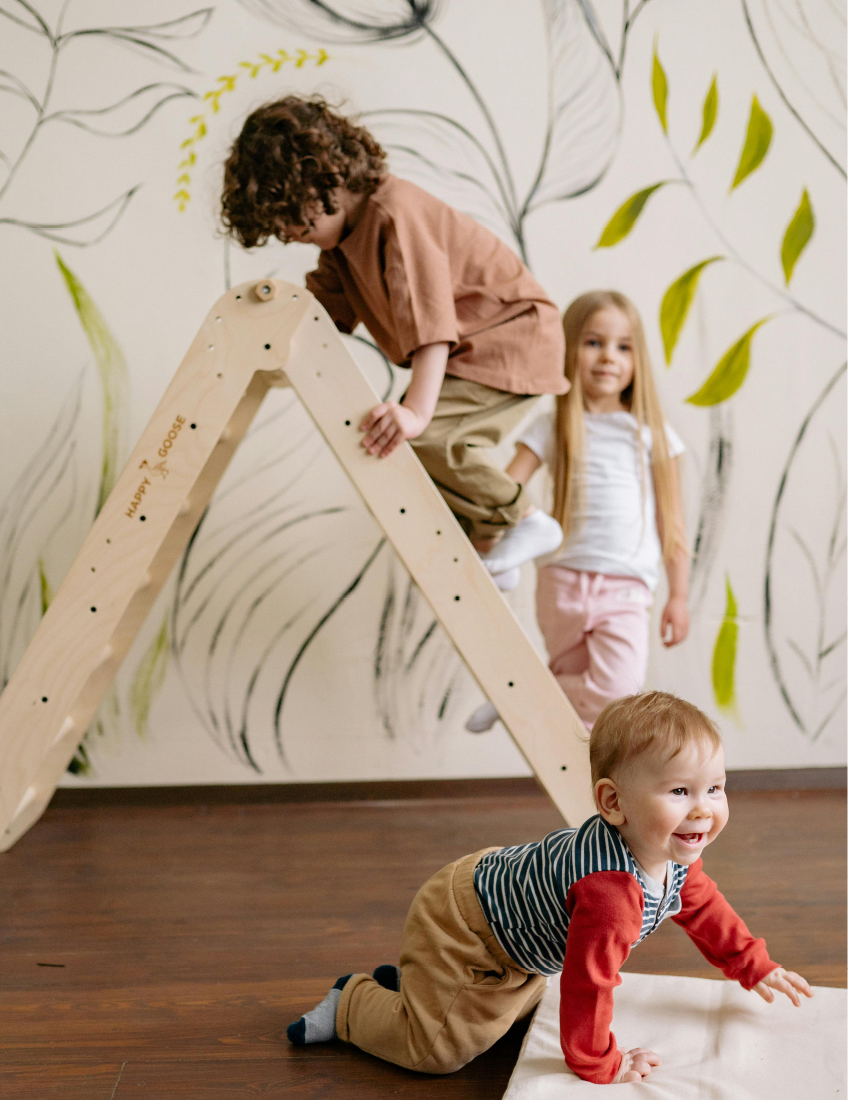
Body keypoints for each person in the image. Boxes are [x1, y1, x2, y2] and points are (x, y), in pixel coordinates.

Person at [286, 691, 812, 1084]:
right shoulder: (610, 897)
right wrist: (600, 1062)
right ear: (613, 803)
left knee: (519, 1006)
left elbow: (704, 909)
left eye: (715, 788)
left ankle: (415, 987)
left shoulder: (671, 854)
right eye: (679, 791)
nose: (704, 809)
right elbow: (589, 984)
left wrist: (754, 964)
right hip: (465, 924)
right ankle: (352, 1004)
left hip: (508, 911)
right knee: (438, 1051)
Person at [220, 95, 565, 583]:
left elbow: (430, 322)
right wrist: (267, 352)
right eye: (279, 228)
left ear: (327, 182)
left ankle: (526, 519)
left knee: (429, 438)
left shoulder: (395, 215)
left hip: (513, 339)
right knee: (413, 455)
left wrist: (416, 412)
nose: (289, 232)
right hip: (473, 349)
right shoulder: (341, 246)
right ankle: (492, 542)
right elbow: (317, 318)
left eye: (294, 218)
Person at [468, 289, 689, 733]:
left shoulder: (651, 433)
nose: (608, 357)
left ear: (638, 359)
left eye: (623, 347)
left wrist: (679, 595)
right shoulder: (552, 426)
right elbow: (507, 488)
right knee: (579, 703)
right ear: (567, 350)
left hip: (625, 583)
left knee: (619, 693)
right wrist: (485, 533)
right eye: (593, 342)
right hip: (561, 580)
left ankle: (522, 693)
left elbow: (672, 521)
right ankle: (574, 763)